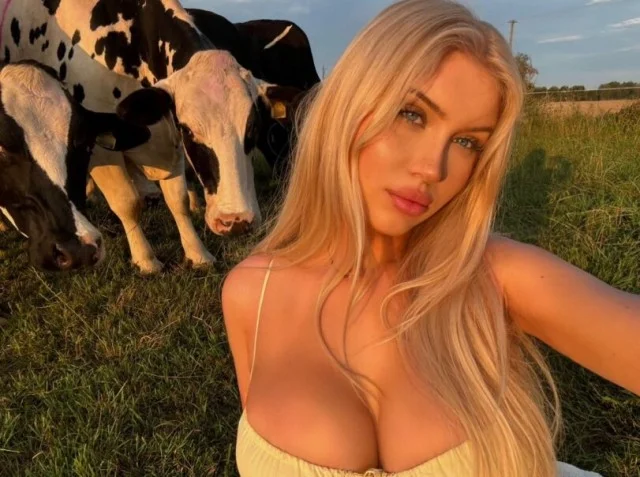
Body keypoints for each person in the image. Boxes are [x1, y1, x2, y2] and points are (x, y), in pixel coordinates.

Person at [221, 0, 640, 475]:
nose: (432, 168)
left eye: (467, 142)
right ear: (349, 104)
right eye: (412, 115)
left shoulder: (496, 278)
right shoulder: (250, 294)